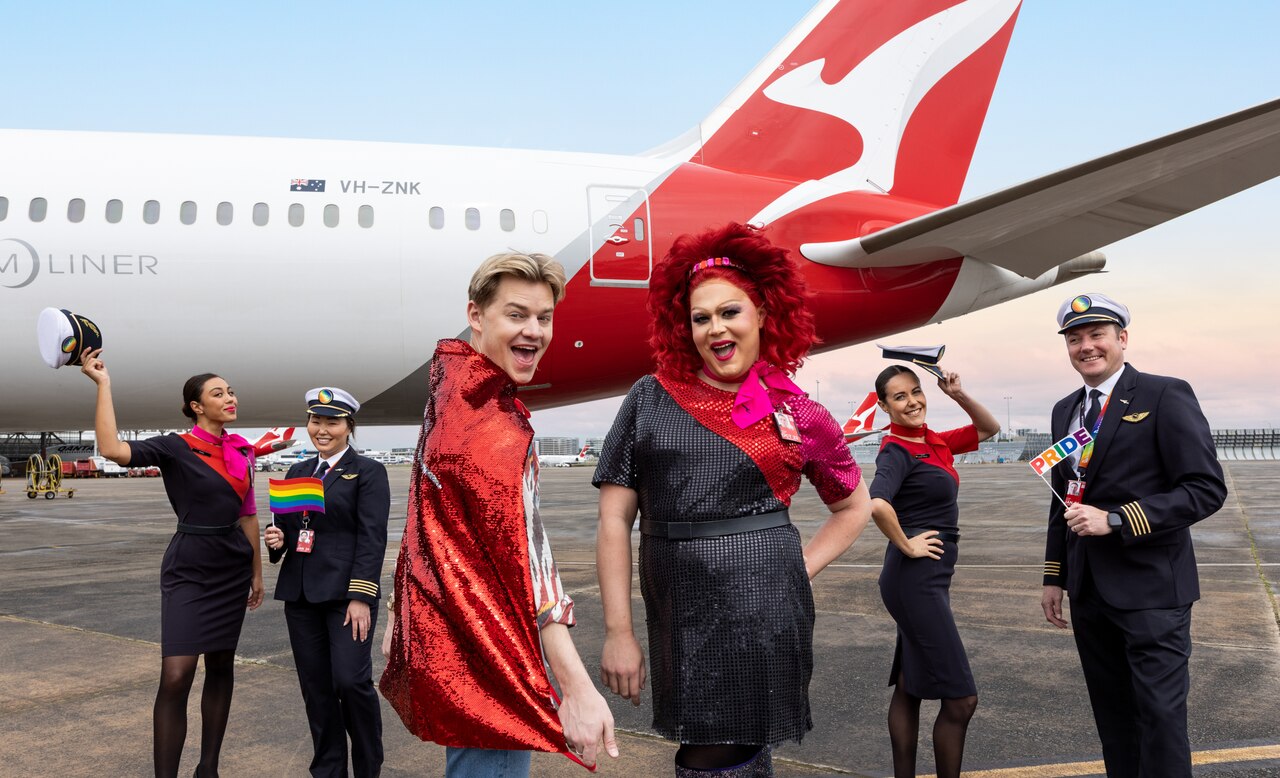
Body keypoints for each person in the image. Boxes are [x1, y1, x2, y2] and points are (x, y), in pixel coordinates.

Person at [594, 223, 872, 778]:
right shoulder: (650, 397)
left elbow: (855, 506)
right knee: (717, 745)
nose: (715, 328)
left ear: (764, 314)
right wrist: (619, 632)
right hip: (679, 610)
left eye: (730, 312)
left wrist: (799, 567)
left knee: (721, 751)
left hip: (766, 606)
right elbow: (613, 519)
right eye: (701, 317)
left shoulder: (801, 414)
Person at [379, 251, 617, 776]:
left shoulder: (451, 394)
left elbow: (427, 515)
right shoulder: (492, 429)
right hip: (491, 654)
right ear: (476, 315)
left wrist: (401, 605)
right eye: (517, 315)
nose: (534, 330)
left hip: (460, 640)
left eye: (544, 317)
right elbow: (529, 562)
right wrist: (576, 687)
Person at [1040, 293, 1226, 778]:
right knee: (1114, 717)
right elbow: (1062, 498)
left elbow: (1205, 489)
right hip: (1089, 591)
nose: (1086, 346)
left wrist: (1118, 519)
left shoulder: (1164, 394)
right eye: (1075, 338)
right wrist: (1053, 576)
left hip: (1151, 591)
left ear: (1122, 339)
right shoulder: (1066, 411)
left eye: (1097, 334)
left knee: (1160, 717)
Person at [79, 350, 263, 778]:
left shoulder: (241, 449)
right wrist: (104, 385)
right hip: (190, 568)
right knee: (177, 675)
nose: (230, 398)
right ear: (197, 407)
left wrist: (256, 572)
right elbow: (112, 448)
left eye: (231, 391)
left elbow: (248, 514)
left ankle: (209, 768)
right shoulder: (175, 447)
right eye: (218, 393)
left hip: (232, 566)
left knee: (221, 665)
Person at [868, 365, 999, 778]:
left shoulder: (932, 440)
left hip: (926, 581)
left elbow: (989, 429)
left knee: (910, 687)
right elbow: (876, 503)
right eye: (900, 397)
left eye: (916, 392)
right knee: (962, 700)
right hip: (914, 581)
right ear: (884, 405)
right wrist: (906, 543)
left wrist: (957, 393)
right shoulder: (896, 449)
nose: (912, 402)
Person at [264, 387, 389, 778]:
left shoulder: (367, 472)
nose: (321, 429)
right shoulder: (298, 471)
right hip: (300, 594)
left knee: (351, 682)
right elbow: (288, 527)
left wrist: (361, 597)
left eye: (331, 422)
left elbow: (372, 538)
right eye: (316, 421)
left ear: (348, 427)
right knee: (316, 689)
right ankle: (328, 769)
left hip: (345, 597)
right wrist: (277, 539)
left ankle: (368, 767)